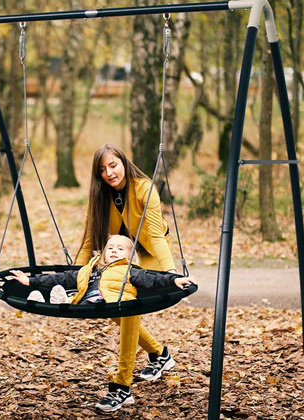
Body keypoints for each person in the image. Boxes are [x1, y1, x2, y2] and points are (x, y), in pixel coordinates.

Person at [7, 235, 196, 412]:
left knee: (128, 338)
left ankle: (122, 389)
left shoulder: (130, 271)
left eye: (120, 249)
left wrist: (175, 279)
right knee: (67, 290)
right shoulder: (91, 270)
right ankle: (160, 355)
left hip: (124, 304)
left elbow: (153, 280)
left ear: (130, 257)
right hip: (93, 303)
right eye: (110, 248)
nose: (114, 251)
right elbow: (61, 278)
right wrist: (30, 281)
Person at [76, 143, 185, 411]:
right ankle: (160, 354)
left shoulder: (144, 188)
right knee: (114, 307)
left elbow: (157, 235)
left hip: (148, 252)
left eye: (113, 165)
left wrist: (170, 270)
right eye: (102, 169)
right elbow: (90, 238)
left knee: (128, 308)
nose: (109, 173)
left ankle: (122, 386)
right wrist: (74, 275)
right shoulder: (100, 196)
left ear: (123, 162)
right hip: (121, 257)